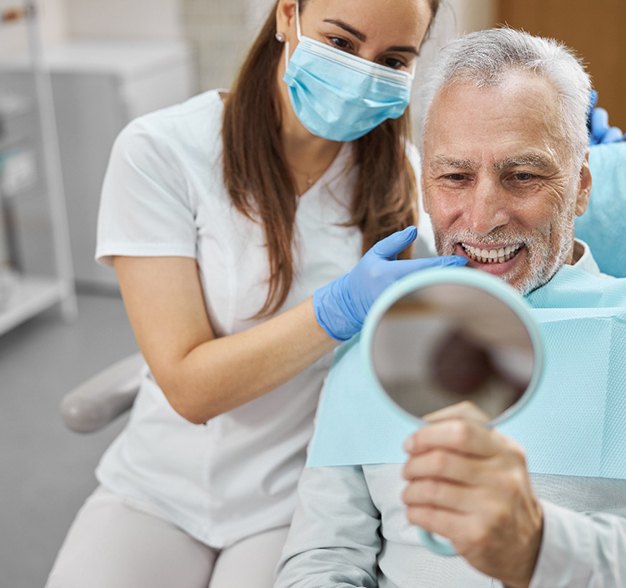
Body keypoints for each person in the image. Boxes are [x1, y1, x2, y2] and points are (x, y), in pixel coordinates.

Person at [44, 1, 477, 587]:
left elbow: (457, 320)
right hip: (158, 487)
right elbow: (190, 389)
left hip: (296, 499)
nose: (362, 72)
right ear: (287, 15)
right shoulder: (163, 151)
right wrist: (337, 309)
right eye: (342, 43)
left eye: (393, 59)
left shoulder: (402, 176)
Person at [275, 28, 626, 587]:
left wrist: (538, 547)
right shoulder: (373, 346)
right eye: (455, 177)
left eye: (524, 176)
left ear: (580, 187)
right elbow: (324, 556)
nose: (483, 216)